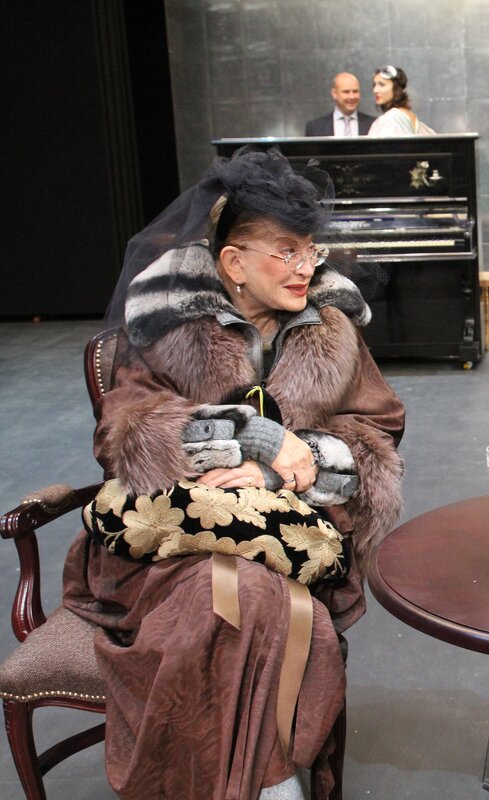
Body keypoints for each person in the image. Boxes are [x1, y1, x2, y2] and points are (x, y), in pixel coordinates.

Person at [61, 147, 406, 799]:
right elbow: (125, 430)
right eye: (286, 251)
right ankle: (272, 787)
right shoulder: (173, 325)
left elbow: (377, 430)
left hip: (292, 538)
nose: (307, 267)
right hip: (173, 547)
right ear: (233, 263)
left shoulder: (332, 332)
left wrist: (290, 470)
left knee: (253, 596)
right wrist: (253, 438)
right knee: (237, 601)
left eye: (310, 250)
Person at [367, 65, 434, 136]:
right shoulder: (413, 119)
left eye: (382, 85)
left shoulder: (387, 121)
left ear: (396, 88)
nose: (375, 90)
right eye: (374, 85)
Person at [304, 72, 375, 137]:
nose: (352, 97)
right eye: (346, 92)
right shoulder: (315, 128)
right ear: (334, 93)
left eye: (355, 91)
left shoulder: (374, 124)